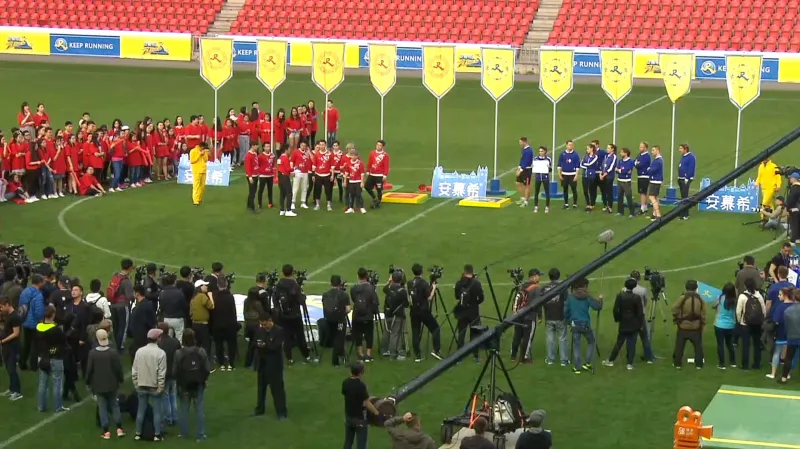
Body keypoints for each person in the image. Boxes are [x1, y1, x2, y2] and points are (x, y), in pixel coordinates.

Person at [85, 329, 126, 439]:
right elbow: (118, 368)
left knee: (102, 407)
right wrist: (121, 379)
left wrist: (87, 382)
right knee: (115, 405)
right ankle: (119, 428)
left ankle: (106, 431)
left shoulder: (92, 353)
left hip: (98, 385)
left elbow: (89, 370)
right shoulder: (112, 352)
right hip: (112, 384)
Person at [174, 328, 210, 441]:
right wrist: (202, 379)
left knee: (184, 410)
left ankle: (184, 434)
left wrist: (180, 382)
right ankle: (200, 435)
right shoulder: (201, 351)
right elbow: (207, 368)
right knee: (199, 410)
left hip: (184, 385)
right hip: (198, 384)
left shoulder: (178, 353)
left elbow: (174, 371)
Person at [131, 328, 167, 442]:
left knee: (141, 410)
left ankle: (138, 433)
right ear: (158, 338)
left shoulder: (139, 351)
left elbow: (134, 370)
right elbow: (161, 373)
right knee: (157, 412)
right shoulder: (161, 353)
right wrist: (161, 387)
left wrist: (136, 384)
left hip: (141, 385)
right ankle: (157, 434)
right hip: (154, 386)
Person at [274, 264, 313, 364]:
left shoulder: (279, 284)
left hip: (283, 315)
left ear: (283, 272)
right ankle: (306, 356)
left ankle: (289, 358)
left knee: (286, 336)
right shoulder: (295, 285)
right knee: (300, 336)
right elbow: (301, 301)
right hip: (295, 314)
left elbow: (275, 299)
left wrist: (279, 309)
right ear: (292, 273)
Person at [602, 279, 644, 370]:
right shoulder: (636, 297)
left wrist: (617, 319)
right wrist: (641, 324)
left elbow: (615, 309)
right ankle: (630, 363)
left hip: (624, 322)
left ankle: (611, 360)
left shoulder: (620, 296)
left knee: (619, 342)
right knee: (632, 343)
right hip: (634, 323)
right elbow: (640, 312)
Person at [564, 278, 603, 373]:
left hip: (575, 324)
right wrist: (601, 299)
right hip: (585, 324)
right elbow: (598, 307)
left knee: (576, 346)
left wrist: (569, 322)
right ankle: (587, 363)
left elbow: (566, 311)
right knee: (591, 342)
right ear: (584, 286)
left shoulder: (570, 297)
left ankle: (577, 367)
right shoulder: (587, 296)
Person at [253, 313, 287, 419]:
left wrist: (264, 346)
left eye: (265, 324)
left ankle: (281, 412)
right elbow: (254, 343)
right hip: (262, 364)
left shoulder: (279, 331)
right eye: (261, 325)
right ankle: (259, 409)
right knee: (261, 388)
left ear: (270, 321)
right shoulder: (259, 331)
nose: (263, 327)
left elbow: (275, 346)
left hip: (274, 365)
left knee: (277, 389)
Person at [36, 304, 69, 412]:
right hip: (55, 358)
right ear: (53, 314)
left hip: (42, 357)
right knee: (57, 384)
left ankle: (41, 406)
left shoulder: (38, 327)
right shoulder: (56, 330)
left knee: (42, 384)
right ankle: (58, 407)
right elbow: (64, 342)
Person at [342, 361, 382, 449]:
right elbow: (366, 403)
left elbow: (347, 394)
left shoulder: (345, 383)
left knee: (348, 442)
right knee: (361, 445)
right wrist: (377, 413)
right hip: (359, 419)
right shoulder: (361, 386)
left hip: (348, 417)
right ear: (360, 373)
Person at [407, 264, 442, 362]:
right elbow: (429, 297)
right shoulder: (423, 283)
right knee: (435, 328)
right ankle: (436, 350)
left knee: (415, 332)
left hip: (413, 311)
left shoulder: (410, 283)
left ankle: (418, 355)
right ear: (421, 272)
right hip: (423, 311)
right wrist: (434, 287)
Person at [454, 265, 485, 363]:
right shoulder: (476, 283)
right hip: (473, 312)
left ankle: (459, 357)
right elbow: (481, 297)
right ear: (472, 271)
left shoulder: (459, 283)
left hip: (462, 311)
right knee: (475, 334)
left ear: (464, 271)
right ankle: (475, 356)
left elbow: (456, 296)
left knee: (461, 334)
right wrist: (475, 303)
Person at [671, 280, 706, 369]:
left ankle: (677, 364)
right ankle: (699, 365)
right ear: (696, 288)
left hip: (683, 326)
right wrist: (702, 324)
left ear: (686, 288)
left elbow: (674, 308)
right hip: (696, 326)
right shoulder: (700, 298)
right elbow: (703, 312)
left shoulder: (683, 297)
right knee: (698, 347)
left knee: (680, 346)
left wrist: (678, 316)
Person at [510, 269, 541, 363]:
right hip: (530, 316)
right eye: (539, 275)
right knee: (528, 337)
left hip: (519, 315)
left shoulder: (522, 286)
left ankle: (513, 355)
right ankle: (524, 357)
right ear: (534, 276)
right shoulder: (536, 288)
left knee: (517, 335)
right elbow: (538, 303)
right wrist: (540, 316)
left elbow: (517, 299)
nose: (539, 277)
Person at [736, 277, 767, 370]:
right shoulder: (759, 296)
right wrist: (761, 320)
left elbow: (738, 311)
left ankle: (745, 365)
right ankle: (757, 364)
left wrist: (739, 321)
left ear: (745, 286)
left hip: (745, 324)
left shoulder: (742, 296)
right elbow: (764, 311)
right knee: (757, 344)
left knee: (746, 344)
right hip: (757, 324)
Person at [769, 287, 799, 379]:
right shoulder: (794, 306)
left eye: (780, 294)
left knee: (777, 353)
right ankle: (788, 374)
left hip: (781, 334)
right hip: (792, 335)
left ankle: (773, 373)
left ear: (785, 296)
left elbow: (776, 321)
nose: (778, 296)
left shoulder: (780, 307)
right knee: (790, 356)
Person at [321, 275, 351, 367]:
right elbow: (348, 309)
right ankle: (335, 361)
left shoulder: (325, 294)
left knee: (334, 337)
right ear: (340, 283)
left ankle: (342, 355)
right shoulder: (344, 295)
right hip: (339, 320)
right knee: (339, 339)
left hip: (329, 320)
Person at [210, 276, 238, 371]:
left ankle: (221, 363)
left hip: (217, 324)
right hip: (230, 324)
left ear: (217, 285)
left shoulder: (214, 296)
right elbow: (233, 312)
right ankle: (231, 363)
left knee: (219, 344)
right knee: (231, 344)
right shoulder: (230, 297)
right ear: (226, 284)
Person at [351, 268, 379, 362]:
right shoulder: (371, 288)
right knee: (369, 334)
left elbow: (354, 299)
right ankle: (368, 353)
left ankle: (360, 353)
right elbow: (375, 301)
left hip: (356, 315)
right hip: (368, 315)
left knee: (357, 334)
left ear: (357, 276)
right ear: (366, 276)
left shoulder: (354, 288)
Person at [541, 268, 569, 366]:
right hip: (560, 316)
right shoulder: (563, 287)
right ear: (559, 275)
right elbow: (567, 302)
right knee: (562, 338)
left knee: (550, 339)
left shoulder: (544, 288)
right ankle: (564, 360)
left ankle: (550, 359)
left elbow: (541, 302)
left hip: (549, 316)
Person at [156, 322, 181, 427]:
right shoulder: (175, 341)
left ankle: (168, 418)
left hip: (164, 373)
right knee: (173, 396)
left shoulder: (160, 344)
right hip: (174, 373)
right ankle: (174, 417)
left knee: (165, 397)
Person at [19, 273, 45, 370]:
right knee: (35, 345)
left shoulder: (25, 291)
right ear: (40, 282)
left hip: (25, 321)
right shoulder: (38, 295)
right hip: (34, 323)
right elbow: (38, 312)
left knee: (26, 344)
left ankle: (22, 363)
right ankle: (33, 366)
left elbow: (21, 305)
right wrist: (41, 320)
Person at [108, 259, 135, 353]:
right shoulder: (126, 281)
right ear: (130, 268)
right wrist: (134, 295)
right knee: (123, 327)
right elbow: (129, 296)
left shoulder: (115, 276)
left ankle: (115, 344)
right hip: (123, 306)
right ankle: (120, 347)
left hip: (113, 305)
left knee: (116, 326)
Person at [381, 270, 409, 360]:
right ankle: (393, 354)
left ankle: (384, 350)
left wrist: (389, 281)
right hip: (397, 315)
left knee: (386, 332)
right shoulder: (402, 291)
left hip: (388, 314)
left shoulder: (388, 288)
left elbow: (384, 289)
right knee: (395, 334)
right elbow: (406, 304)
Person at [0, 297, 23, 400]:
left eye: (1, 307)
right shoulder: (7, 315)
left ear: (7, 304)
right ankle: (11, 388)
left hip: (12, 347)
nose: (0, 309)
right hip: (6, 346)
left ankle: (17, 391)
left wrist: (2, 341)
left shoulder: (15, 317)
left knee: (12, 368)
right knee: (8, 369)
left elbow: (16, 333)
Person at [712, 283, 738, 369]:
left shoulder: (720, 298)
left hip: (719, 325)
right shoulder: (735, 300)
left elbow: (713, 306)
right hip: (730, 325)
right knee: (729, 343)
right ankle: (733, 362)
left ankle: (722, 364)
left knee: (720, 344)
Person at [243, 282, 268, 368]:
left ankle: (248, 362)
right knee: (258, 344)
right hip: (256, 325)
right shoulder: (257, 303)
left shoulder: (246, 301)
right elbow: (262, 313)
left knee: (251, 344)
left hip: (248, 325)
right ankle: (258, 363)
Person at [128, 285, 157, 359]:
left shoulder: (139, 307)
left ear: (137, 293)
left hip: (140, 337)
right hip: (144, 336)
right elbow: (153, 321)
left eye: (133, 292)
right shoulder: (148, 305)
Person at [190, 279, 214, 359]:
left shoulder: (194, 297)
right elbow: (211, 306)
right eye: (204, 285)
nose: (206, 287)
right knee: (206, 345)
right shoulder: (202, 296)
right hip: (202, 325)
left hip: (194, 324)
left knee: (197, 344)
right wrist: (210, 295)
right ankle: (205, 364)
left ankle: (195, 362)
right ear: (200, 287)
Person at [159, 273, 187, 341]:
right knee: (179, 338)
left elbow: (161, 306)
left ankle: (168, 351)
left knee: (167, 338)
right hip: (178, 318)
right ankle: (178, 351)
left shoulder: (162, 292)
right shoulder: (179, 292)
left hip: (167, 318)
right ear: (174, 281)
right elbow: (184, 305)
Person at [365, 139, 390, 209]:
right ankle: (374, 198)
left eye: (380, 145)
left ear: (383, 147)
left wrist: (385, 175)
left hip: (379, 175)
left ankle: (378, 202)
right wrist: (368, 170)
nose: (378, 146)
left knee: (379, 189)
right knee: (366, 186)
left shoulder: (385, 155)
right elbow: (369, 162)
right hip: (372, 174)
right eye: (377, 145)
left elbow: (386, 165)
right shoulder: (372, 153)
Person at [556, 139, 579, 209]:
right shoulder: (562, 154)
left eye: (571, 145)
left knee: (574, 189)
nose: (570, 146)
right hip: (564, 174)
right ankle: (566, 204)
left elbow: (578, 166)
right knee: (565, 189)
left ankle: (575, 204)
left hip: (572, 174)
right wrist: (559, 175)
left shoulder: (575, 154)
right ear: (566, 145)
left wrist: (576, 175)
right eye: (569, 145)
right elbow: (559, 165)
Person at [312, 140, 335, 211]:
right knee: (317, 190)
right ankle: (317, 205)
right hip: (318, 175)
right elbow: (314, 165)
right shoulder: (316, 154)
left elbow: (332, 166)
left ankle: (328, 205)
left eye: (323, 145)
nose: (321, 146)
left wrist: (332, 175)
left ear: (325, 145)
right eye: (320, 145)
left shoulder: (330, 154)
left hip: (327, 175)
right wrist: (313, 175)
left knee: (328, 191)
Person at [345, 146, 367, 214]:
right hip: (351, 181)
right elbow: (346, 173)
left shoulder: (360, 163)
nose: (353, 157)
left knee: (358, 194)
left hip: (358, 181)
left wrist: (362, 182)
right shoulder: (348, 163)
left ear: (357, 156)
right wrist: (345, 181)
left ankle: (362, 207)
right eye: (352, 155)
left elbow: (362, 174)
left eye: (355, 155)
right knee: (351, 194)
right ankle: (351, 208)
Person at [276, 144, 296, 217]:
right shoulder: (285, 158)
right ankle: (288, 210)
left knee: (282, 193)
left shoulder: (280, 158)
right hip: (285, 177)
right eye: (289, 149)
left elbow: (279, 167)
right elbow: (288, 169)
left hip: (280, 176)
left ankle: (282, 210)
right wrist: (294, 168)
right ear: (286, 150)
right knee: (289, 193)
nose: (290, 150)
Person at [677, 144, 696, 220]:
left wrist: (687, 178)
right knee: (683, 197)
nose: (679, 150)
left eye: (681, 148)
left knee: (685, 197)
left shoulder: (691, 157)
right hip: (681, 179)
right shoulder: (684, 156)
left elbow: (691, 168)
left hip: (686, 179)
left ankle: (685, 214)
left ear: (685, 149)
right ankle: (682, 213)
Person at [615, 148, 636, 217]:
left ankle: (632, 213)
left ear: (626, 153)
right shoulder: (620, 161)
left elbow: (627, 171)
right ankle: (620, 212)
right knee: (620, 197)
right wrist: (620, 170)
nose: (620, 153)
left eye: (622, 152)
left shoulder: (630, 161)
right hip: (620, 181)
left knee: (628, 197)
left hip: (626, 182)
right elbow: (616, 170)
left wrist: (620, 170)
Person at [189, 141, 210, 206]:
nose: (204, 150)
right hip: (196, 170)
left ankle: (199, 198)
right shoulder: (193, 151)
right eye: (204, 148)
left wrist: (204, 154)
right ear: (201, 147)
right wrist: (199, 154)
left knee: (202, 186)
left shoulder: (204, 151)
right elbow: (192, 161)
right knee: (196, 186)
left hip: (203, 170)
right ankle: (195, 201)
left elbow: (206, 160)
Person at [598, 143, 618, 213]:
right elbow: (602, 165)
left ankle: (610, 207)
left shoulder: (614, 157)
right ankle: (606, 205)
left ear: (612, 149)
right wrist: (601, 173)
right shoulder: (606, 156)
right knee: (605, 191)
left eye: (609, 148)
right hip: (603, 175)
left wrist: (603, 175)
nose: (607, 149)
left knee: (609, 192)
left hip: (609, 177)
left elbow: (611, 168)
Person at [647, 145, 664, 221]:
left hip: (655, 181)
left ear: (657, 150)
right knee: (655, 197)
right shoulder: (658, 160)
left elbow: (652, 170)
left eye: (653, 150)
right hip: (656, 180)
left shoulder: (658, 161)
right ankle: (654, 215)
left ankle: (658, 215)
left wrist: (649, 169)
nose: (652, 152)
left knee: (651, 197)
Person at [532, 146, 552, 213]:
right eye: (539, 151)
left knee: (547, 192)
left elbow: (550, 170)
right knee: (536, 192)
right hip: (538, 178)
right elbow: (533, 168)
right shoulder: (535, 159)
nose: (540, 152)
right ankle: (536, 206)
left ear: (545, 152)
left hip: (545, 178)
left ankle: (547, 207)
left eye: (542, 151)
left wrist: (549, 167)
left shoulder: (548, 159)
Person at [579, 144, 599, 212]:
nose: (587, 150)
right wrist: (586, 166)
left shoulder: (595, 156)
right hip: (585, 175)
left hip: (591, 175)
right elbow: (581, 164)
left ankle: (591, 204)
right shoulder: (585, 156)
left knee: (591, 190)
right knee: (585, 190)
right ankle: (587, 204)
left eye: (588, 148)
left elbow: (590, 164)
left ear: (591, 149)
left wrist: (586, 165)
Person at [515, 137, 533, 208]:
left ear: (524, 142)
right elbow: (522, 160)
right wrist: (518, 168)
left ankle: (526, 201)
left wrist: (520, 170)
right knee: (518, 183)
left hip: (527, 170)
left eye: (520, 142)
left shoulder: (529, 151)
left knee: (527, 185)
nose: (520, 144)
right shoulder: (524, 150)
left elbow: (527, 162)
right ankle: (524, 197)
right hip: (522, 169)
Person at [634, 141, 651, 216]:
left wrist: (637, 164)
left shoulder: (647, 156)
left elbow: (640, 165)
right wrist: (636, 163)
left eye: (641, 147)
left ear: (645, 148)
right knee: (643, 192)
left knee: (643, 192)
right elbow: (635, 162)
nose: (640, 148)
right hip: (640, 175)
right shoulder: (639, 155)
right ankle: (645, 207)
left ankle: (642, 208)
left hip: (644, 176)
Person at [244, 142, 260, 213]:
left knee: (253, 191)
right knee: (252, 192)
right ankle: (252, 207)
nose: (257, 147)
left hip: (255, 175)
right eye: (256, 146)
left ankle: (248, 205)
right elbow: (248, 167)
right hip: (251, 176)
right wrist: (250, 177)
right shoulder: (248, 155)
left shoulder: (254, 153)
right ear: (253, 146)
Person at [786, 172, 800, 243]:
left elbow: (792, 199)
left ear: (794, 179)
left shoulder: (795, 188)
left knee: (794, 223)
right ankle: (798, 237)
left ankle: (794, 239)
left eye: (791, 178)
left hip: (795, 208)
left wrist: (788, 208)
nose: (790, 179)